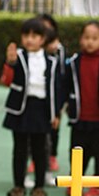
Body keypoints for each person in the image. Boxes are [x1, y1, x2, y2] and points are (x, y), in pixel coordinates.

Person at [2, 16, 59, 196]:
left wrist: (56, 112)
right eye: (26, 35)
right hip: (21, 107)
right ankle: (18, 185)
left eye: (35, 35)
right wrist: (10, 63)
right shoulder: (17, 57)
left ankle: (39, 186)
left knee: (40, 149)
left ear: (43, 39)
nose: (29, 39)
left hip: (41, 108)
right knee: (19, 148)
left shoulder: (52, 61)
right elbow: (6, 81)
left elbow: (56, 88)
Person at [63, 20, 99, 196]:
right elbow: (64, 86)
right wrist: (60, 107)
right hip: (79, 118)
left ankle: (97, 185)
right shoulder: (73, 62)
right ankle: (75, 183)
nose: (90, 42)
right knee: (76, 152)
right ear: (81, 39)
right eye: (86, 37)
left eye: (94, 38)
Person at [40, 13, 67, 172]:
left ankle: (52, 156)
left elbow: (63, 73)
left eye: (48, 27)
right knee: (36, 131)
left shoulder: (60, 50)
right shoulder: (34, 50)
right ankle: (36, 159)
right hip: (38, 98)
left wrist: (64, 99)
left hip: (56, 96)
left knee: (54, 127)